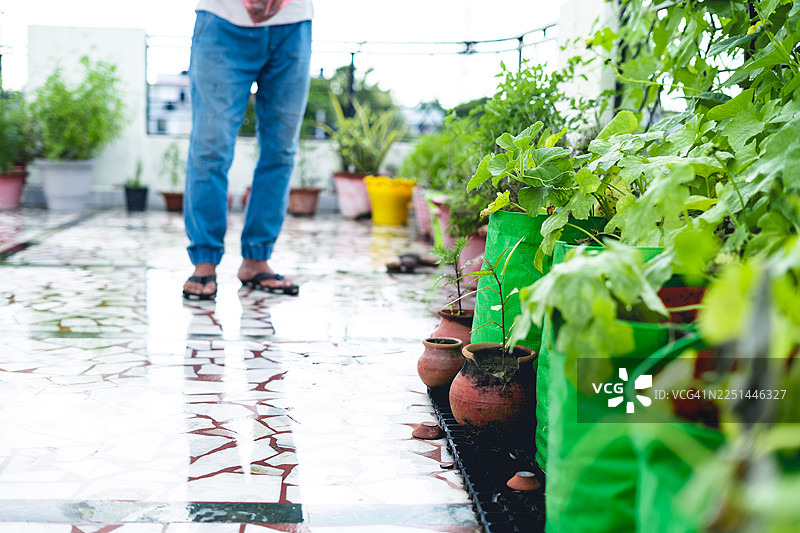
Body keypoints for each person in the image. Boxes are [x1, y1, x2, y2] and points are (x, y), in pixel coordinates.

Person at [182, 0, 314, 300]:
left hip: (292, 24)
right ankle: (204, 261)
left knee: (280, 150)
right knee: (210, 147)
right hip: (222, 20)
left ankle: (256, 259)